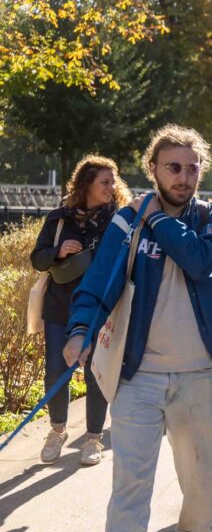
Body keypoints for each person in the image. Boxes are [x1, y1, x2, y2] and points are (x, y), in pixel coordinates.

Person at [64, 126, 212, 532]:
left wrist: (157, 222)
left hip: (199, 372)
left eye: (191, 167)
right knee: (130, 488)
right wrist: (80, 329)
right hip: (138, 376)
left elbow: (203, 263)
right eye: (173, 167)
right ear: (154, 170)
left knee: (196, 473)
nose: (183, 177)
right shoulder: (124, 222)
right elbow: (100, 283)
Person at [31, 155, 131, 466]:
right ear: (86, 184)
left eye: (114, 181)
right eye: (105, 182)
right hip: (60, 309)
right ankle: (57, 430)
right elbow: (37, 259)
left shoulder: (120, 220)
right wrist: (57, 252)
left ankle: (93, 438)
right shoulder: (60, 219)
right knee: (55, 371)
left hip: (103, 312)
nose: (111, 188)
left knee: (95, 374)